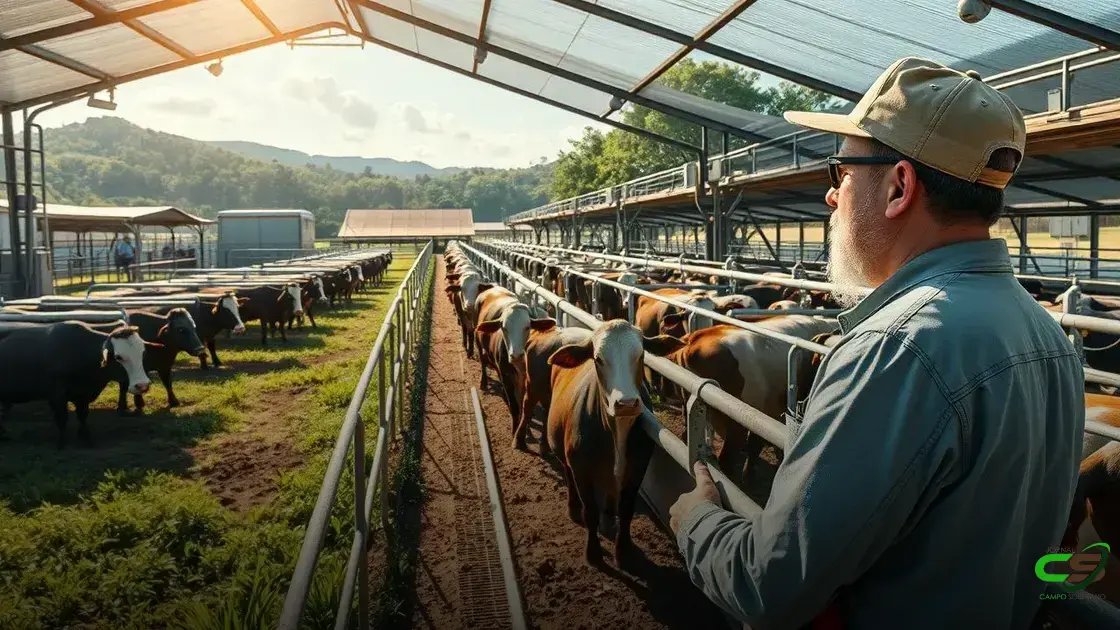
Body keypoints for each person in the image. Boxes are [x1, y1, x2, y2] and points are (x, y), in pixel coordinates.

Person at [669, 57, 1085, 629]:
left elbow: (772, 586)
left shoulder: (897, 348)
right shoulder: (1048, 334)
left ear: (899, 186)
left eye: (840, 173)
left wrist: (698, 521)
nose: (832, 197)